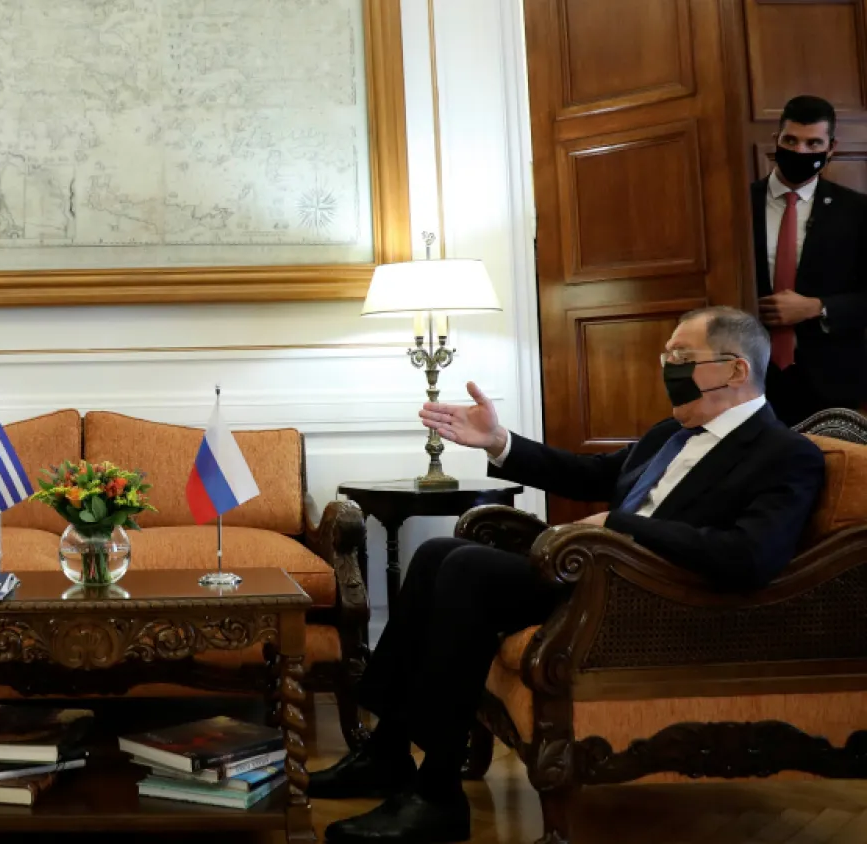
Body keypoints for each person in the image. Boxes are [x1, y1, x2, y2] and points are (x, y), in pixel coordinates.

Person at [312, 307, 825, 844]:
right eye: (665, 356)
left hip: (649, 598)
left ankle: (437, 794)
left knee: (464, 566)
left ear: (736, 371)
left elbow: (750, 556)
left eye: (681, 358)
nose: (667, 367)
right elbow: (589, 474)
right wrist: (498, 442)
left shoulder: (785, 454)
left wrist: (623, 527)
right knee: (439, 553)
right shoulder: (667, 435)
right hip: (593, 575)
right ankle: (387, 751)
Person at [752, 95, 867, 426]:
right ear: (776, 141)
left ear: (830, 148)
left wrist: (818, 307)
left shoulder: (857, 211)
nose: (801, 152)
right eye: (791, 140)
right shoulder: (737, 204)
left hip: (830, 381)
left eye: (813, 143)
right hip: (749, 377)